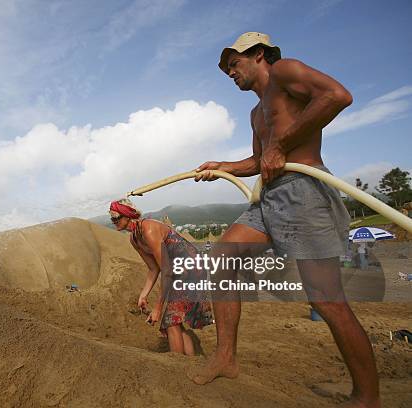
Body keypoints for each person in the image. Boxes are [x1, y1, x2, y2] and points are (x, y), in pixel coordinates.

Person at [191, 32, 380, 407]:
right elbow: (261, 160)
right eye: (227, 67)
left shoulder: (285, 71)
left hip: (305, 191)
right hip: (269, 197)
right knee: (221, 258)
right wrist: (224, 166)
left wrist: (281, 144)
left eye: (234, 63)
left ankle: (367, 397)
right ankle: (226, 357)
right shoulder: (255, 111)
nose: (230, 72)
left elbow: (338, 95)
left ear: (259, 55)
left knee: (327, 301)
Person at [109, 198, 212, 355]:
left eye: (116, 217)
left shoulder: (148, 230)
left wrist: (157, 308)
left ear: (127, 216)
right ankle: (190, 363)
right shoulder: (134, 239)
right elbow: (153, 269)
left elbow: (167, 271)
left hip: (191, 270)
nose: (114, 221)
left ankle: (177, 367)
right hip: (180, 273)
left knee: (170, 322)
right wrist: (143, 296)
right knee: (175, 322)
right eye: (112, 218)